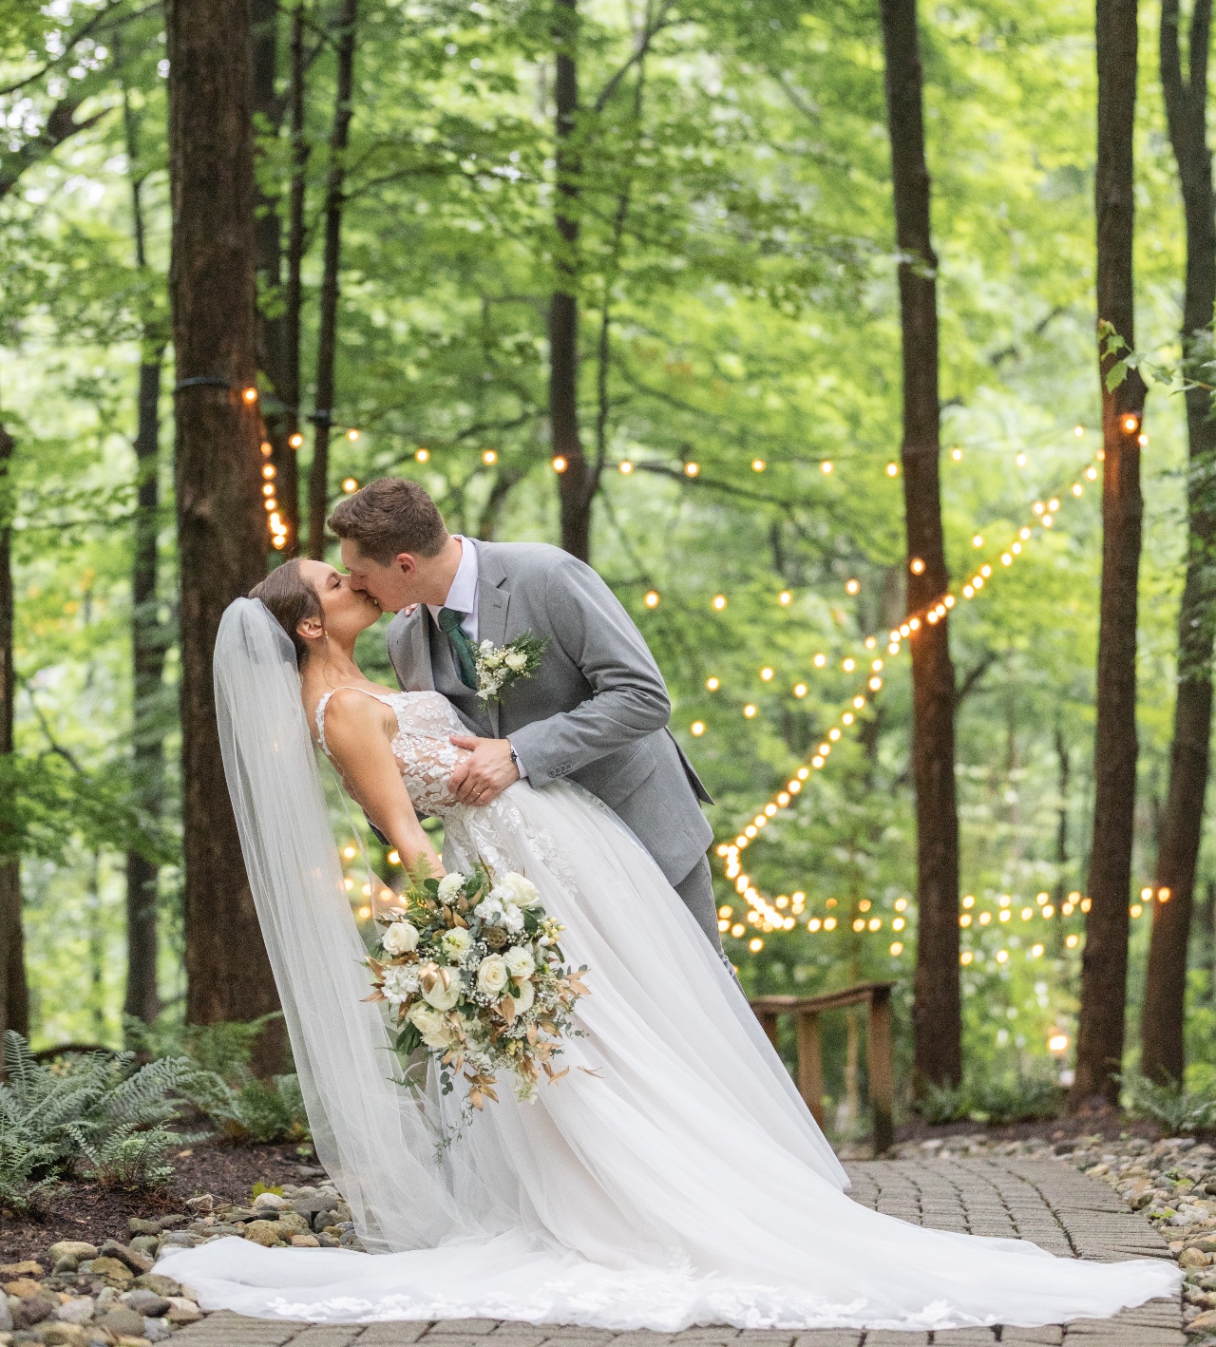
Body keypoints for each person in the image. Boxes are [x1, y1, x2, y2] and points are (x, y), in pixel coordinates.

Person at [166, 562, 1179, 1333]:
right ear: (309, 621)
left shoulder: (382, 665)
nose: (351, 585)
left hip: (554, 852)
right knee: (592, 1041)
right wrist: (467, 933)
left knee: (633, 1022)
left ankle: (685, 1186)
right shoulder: (341, 710)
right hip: (505, 877)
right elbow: (408, 834)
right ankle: (635, 1208)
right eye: (335, 583)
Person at [328, 477, 723, 954]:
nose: (352, 584)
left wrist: (520, 752)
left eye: (358, 572)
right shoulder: (404, 638)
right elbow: (452, 755)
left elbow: (642, 696)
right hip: (544, 877)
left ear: (405, 565)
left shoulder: (546, 575)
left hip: (639, 825)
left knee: (701, 999)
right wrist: (374, 785)